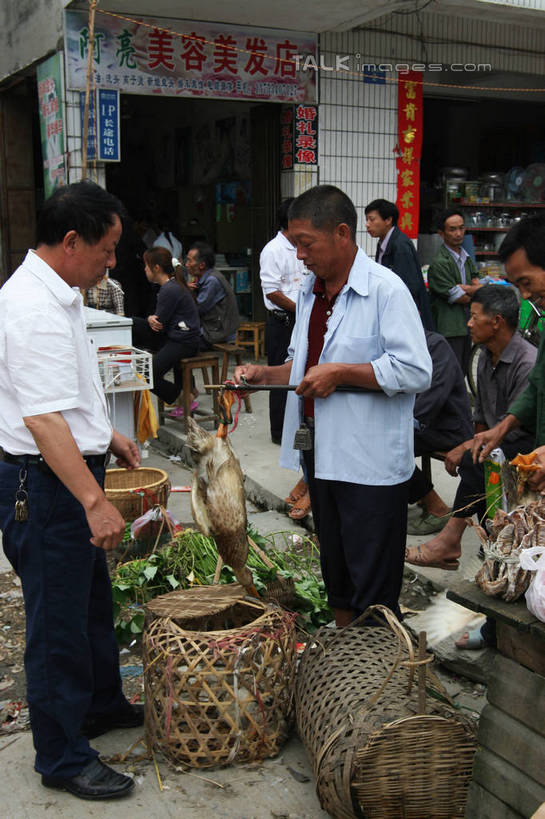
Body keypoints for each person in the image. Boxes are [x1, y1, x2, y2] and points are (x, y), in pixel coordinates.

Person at [0, 180, 141, 800]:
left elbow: (68, 394)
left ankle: (100, 704)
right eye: (107, 250)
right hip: (46, 484)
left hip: (66, 467)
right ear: (71, 241)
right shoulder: (30, 306)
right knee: (57, 621)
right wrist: (94, 499)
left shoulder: (59, 294)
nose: (112, 263)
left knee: (88, 604)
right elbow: (42, 420)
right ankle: (60, 757)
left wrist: (107, 433)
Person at [235, 185, 432, 627]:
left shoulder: (385, 290)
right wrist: (263, 376)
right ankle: (345, 661)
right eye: (294, 245)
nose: (300, 256)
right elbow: (303, 366)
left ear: (342, 234)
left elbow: (416, 371)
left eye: (306, 244)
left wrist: (342, 373)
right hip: (320, 453)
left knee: (373, 580)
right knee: (336, 569)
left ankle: (378, 672)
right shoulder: (311, 291)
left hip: (369, 461)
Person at [406, 285, 536, 581]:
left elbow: (515, 423)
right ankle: (486, 539)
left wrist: (470, 447)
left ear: (497, 322)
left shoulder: (526, 362)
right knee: (478, 456)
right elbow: (481, 417)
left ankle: (450, 540)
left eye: (474, 316)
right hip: (494, 441)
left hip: (525, 444)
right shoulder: (482, 356)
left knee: (479, 460)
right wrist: (470, 444)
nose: (468, 322)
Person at [407, 330, 474, 535]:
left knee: (388, 447)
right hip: (419, 425)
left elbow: (430, 400)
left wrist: (396, 425)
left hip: (448, 428)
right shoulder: (398, 343)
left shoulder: (435, 345)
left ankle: (438, 509)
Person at [260, 198, 306, 445]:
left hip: (300, 318)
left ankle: (296, 426)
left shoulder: (300, 247)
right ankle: (278, 432)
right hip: (283, 321)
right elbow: (272, 292)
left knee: (300, 373)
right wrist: (300, 309)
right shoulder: (273, 250)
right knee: (280, 376)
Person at [132, 246, 200, 405]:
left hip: (183, 342)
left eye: (146, 266)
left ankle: (182, 398)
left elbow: (159, 324)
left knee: (146, 374)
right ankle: (183, 394)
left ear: (156, 268)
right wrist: (150, 319)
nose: (145, 270)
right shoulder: (171, 286)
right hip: (177, 338)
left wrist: (150, 319)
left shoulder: (169, 289)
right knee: (136, 323)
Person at [427, 208, 483, 374]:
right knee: (450, 372)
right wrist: (474, 291)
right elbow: (459, 297)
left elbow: (478, 283)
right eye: (452, 229)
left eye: (461, 228)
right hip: (450, 327)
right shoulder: (440, 263)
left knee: (463, 369)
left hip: (466, 324)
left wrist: (467, 288)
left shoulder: (466, 257)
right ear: (441, 234)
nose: (458, 233)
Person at [365, 198, 434, 330]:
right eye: (367, 220)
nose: (367, 224)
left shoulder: (399, 245)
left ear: (388, 220)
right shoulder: (384, 242)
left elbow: (409, 285)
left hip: (405, 314)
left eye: (372, 219)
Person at [185, 241, 240, 350]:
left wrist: (185, 290)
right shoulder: (204, 277)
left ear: (201, 265)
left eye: (189, 261)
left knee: (179, 342)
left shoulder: (212, 281)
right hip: (212, 328)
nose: (186, 265)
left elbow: (197, 309)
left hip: (216, 332)